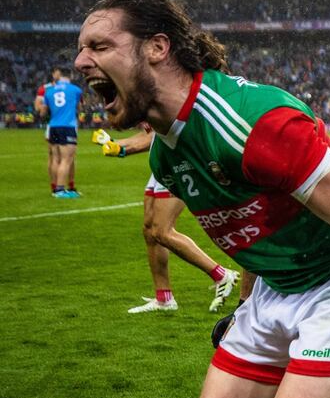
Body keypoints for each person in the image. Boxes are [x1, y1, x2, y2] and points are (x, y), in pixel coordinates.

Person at [74, 0, 330, 398]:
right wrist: (246, 306)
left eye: (100, 46)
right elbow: (255, 231)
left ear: (158, 47)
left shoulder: (253, 123)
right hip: (274, 289)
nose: (81, 62)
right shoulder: (167, 155)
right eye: (81, 49)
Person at [90, 128, 241, 313]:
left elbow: (164, 131)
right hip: (162, 163)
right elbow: (152, 136)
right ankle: (164, 298)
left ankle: (221, 275)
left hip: (178, 162)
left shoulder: (161, 104)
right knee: (149, 230)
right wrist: (116, 143)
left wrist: (122, 148)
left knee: (162, 231)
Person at [41, 66, 82, 198]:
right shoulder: (75, 90)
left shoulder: (49, 91)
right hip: (67, 127)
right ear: (70, 76)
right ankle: (60, 190)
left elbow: (43, 112)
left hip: (53, 126)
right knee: (67, 159)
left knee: (55, 159)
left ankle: (54, 188)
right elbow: (79, 107)